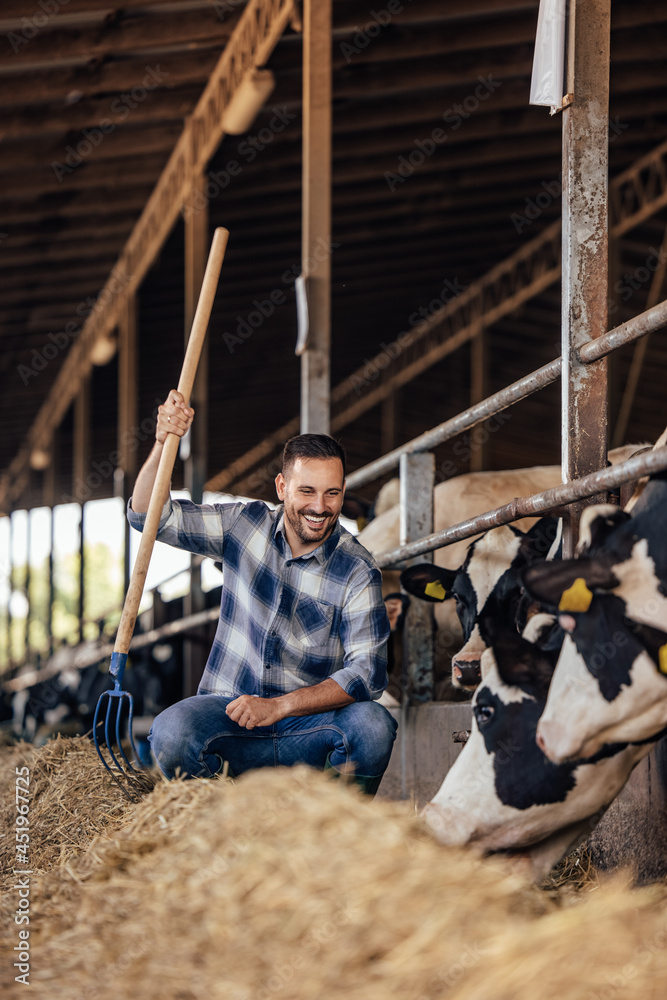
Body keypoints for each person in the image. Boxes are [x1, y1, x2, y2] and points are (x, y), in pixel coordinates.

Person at [127, 389, 397, 794]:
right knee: (172, 732)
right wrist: (164, 442)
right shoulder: (243, 526)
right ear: (282, 486)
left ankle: (335, 831)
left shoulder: (357, 570)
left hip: (309, 728)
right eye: (306, 491)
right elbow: (150, 517)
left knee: (374, 726)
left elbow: (367, 674)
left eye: (333, 493)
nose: (320, 507)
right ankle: (223, 827)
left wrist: (280, 707)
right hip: (231, 716)